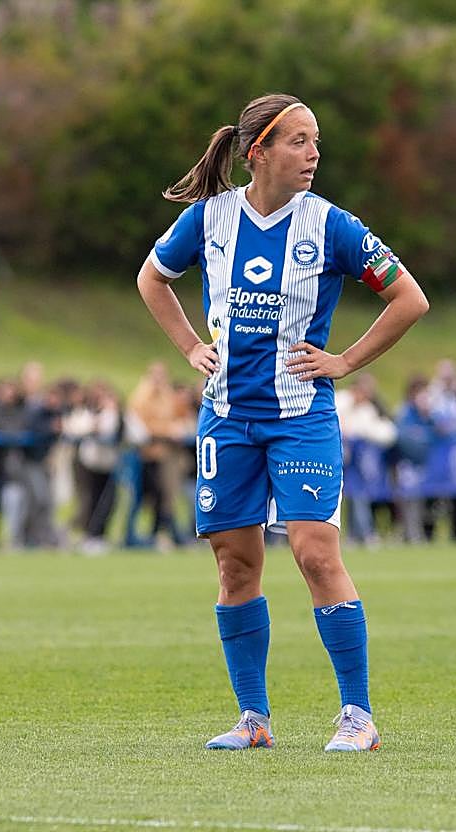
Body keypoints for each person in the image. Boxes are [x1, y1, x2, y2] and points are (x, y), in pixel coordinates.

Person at [136, 93, 429, 752]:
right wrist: (189, 348)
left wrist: (346, 360)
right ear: (257, 151)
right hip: (227, 419)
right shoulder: (209, 219)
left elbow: (410, 297)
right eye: (298, 141)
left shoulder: (332, 226)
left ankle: (358, 717)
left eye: (316, 141)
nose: (313, 153)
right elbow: (152, 279)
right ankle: (254, 719)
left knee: (314, 553)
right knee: (235, 567)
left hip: (301, 418)